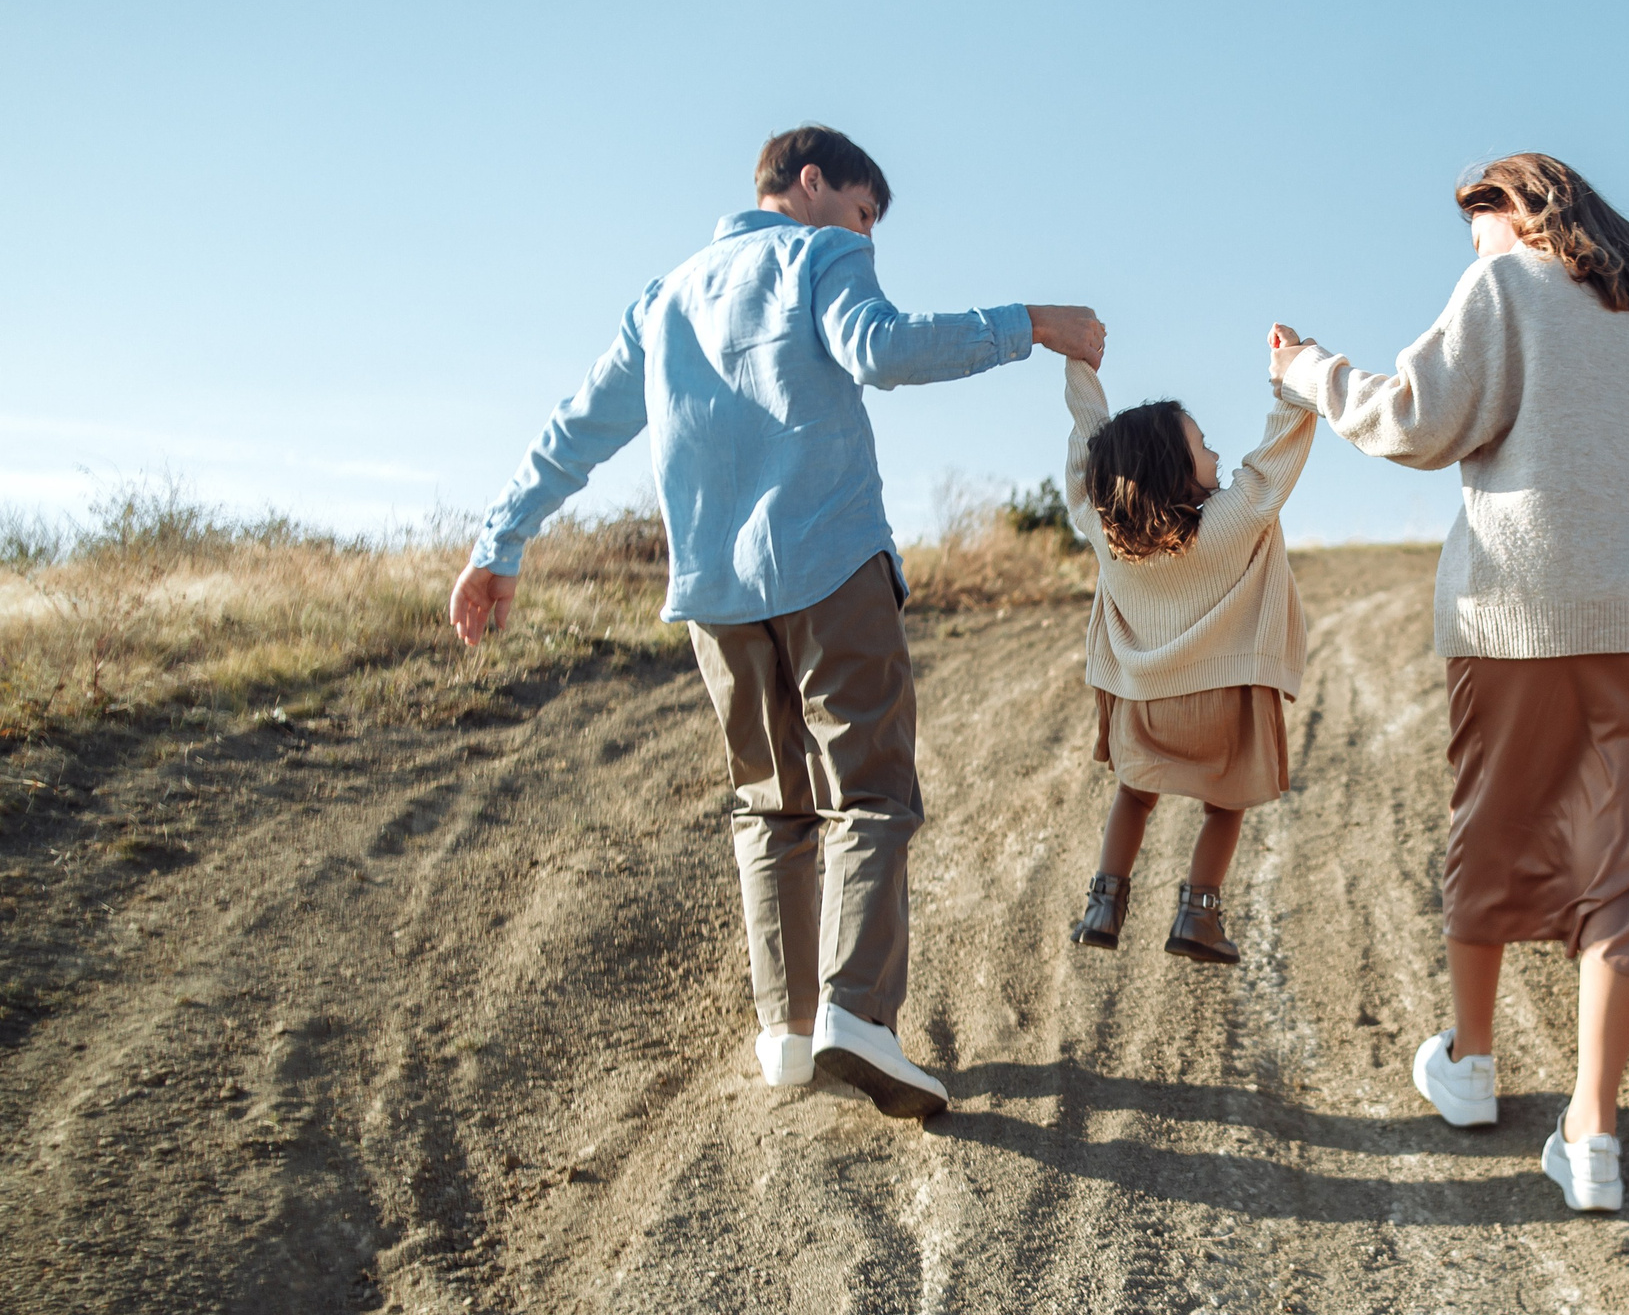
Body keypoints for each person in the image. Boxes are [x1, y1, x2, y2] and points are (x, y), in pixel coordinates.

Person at [447, 125, 1105, 1119]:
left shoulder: (662, 299)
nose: (867, 236)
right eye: (863, 212)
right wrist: (1032, 323)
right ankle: (859, 1014)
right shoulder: (816, 254)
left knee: (769, 804)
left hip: (714, 595)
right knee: (873, 792)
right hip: (828, 561)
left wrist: (498, 547)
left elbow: (575, 429)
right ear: (810, 185)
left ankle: (787, 1032)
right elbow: (879, 350)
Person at [1271, 153, 1629, 1212]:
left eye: (1474, 221)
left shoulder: (1501, 284)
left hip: (1520, 619)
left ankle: (1473, 1062)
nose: (1470, 243)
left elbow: (1413, 421)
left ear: (1516, 211)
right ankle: (1591, 1131)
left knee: (1496, 828)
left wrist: (1307, 370)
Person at [1059, 330, 1315, 963]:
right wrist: (1290, 381)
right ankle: (1198, 915)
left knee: (1134, 794)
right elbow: (1273, 461)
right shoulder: (1229, 521)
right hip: (1222, 706)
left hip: (1145, 705)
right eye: (1202, 444)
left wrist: (1080, 368)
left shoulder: (1105, 531)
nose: (1216, 450)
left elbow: (1089, 451)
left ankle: (1105, 902)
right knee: (1224, 807)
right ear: (1175, 466)